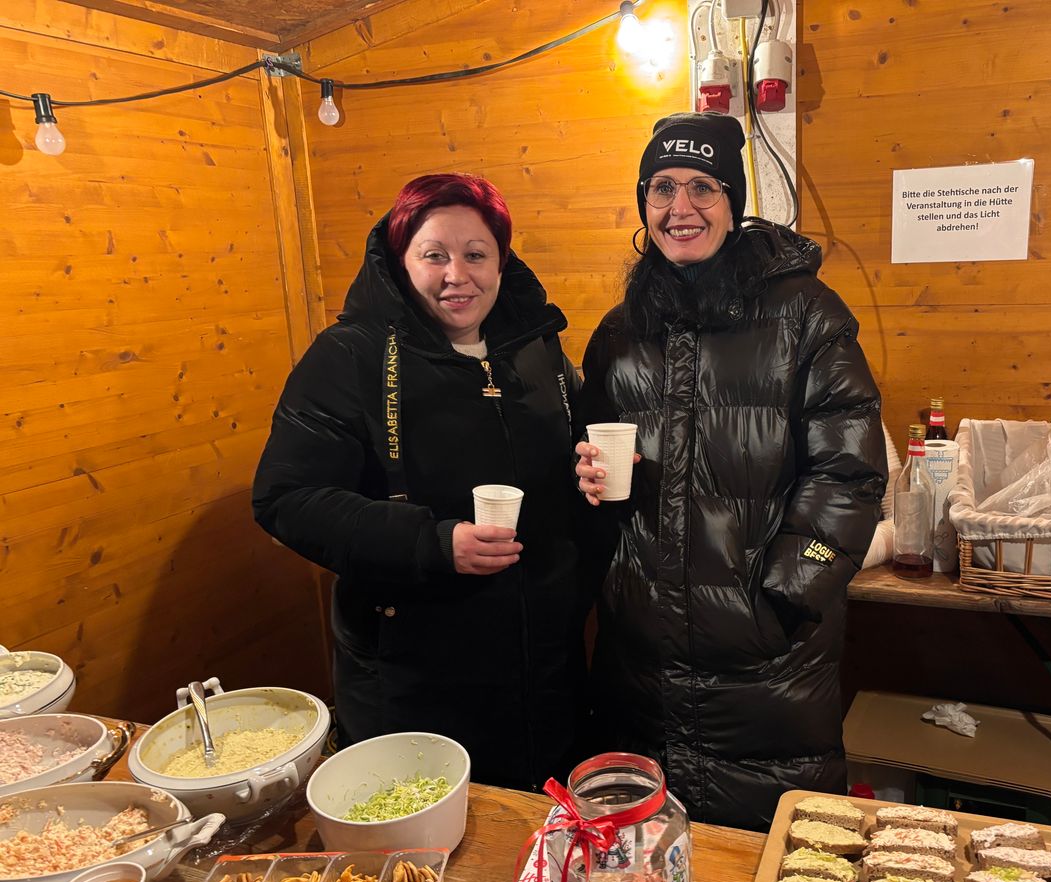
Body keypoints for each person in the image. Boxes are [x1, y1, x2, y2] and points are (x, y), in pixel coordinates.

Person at [574, 113, 888, 830]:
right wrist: (588, 477)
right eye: (661, 188)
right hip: (641, 656)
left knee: (769, 867)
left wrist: (787, 590)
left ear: (733, 200)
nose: (679, 208)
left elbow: (851, 472)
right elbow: (585, 453)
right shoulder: (620, 331)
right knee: (644, 860)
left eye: (702, 188)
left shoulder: (805, 313)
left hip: (765, 661)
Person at [254, 173, 583, 791]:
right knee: (424, 858)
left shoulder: (534, 346)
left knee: (540, 845)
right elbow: (285, 499)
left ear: (502, 261)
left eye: (475, 254)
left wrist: (588, 468)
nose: (457, 274)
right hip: (413, 672)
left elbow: (569, 453)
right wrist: (430, 543)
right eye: (434, 255)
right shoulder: (350, 355)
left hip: (544, 666)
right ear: (401, 261)